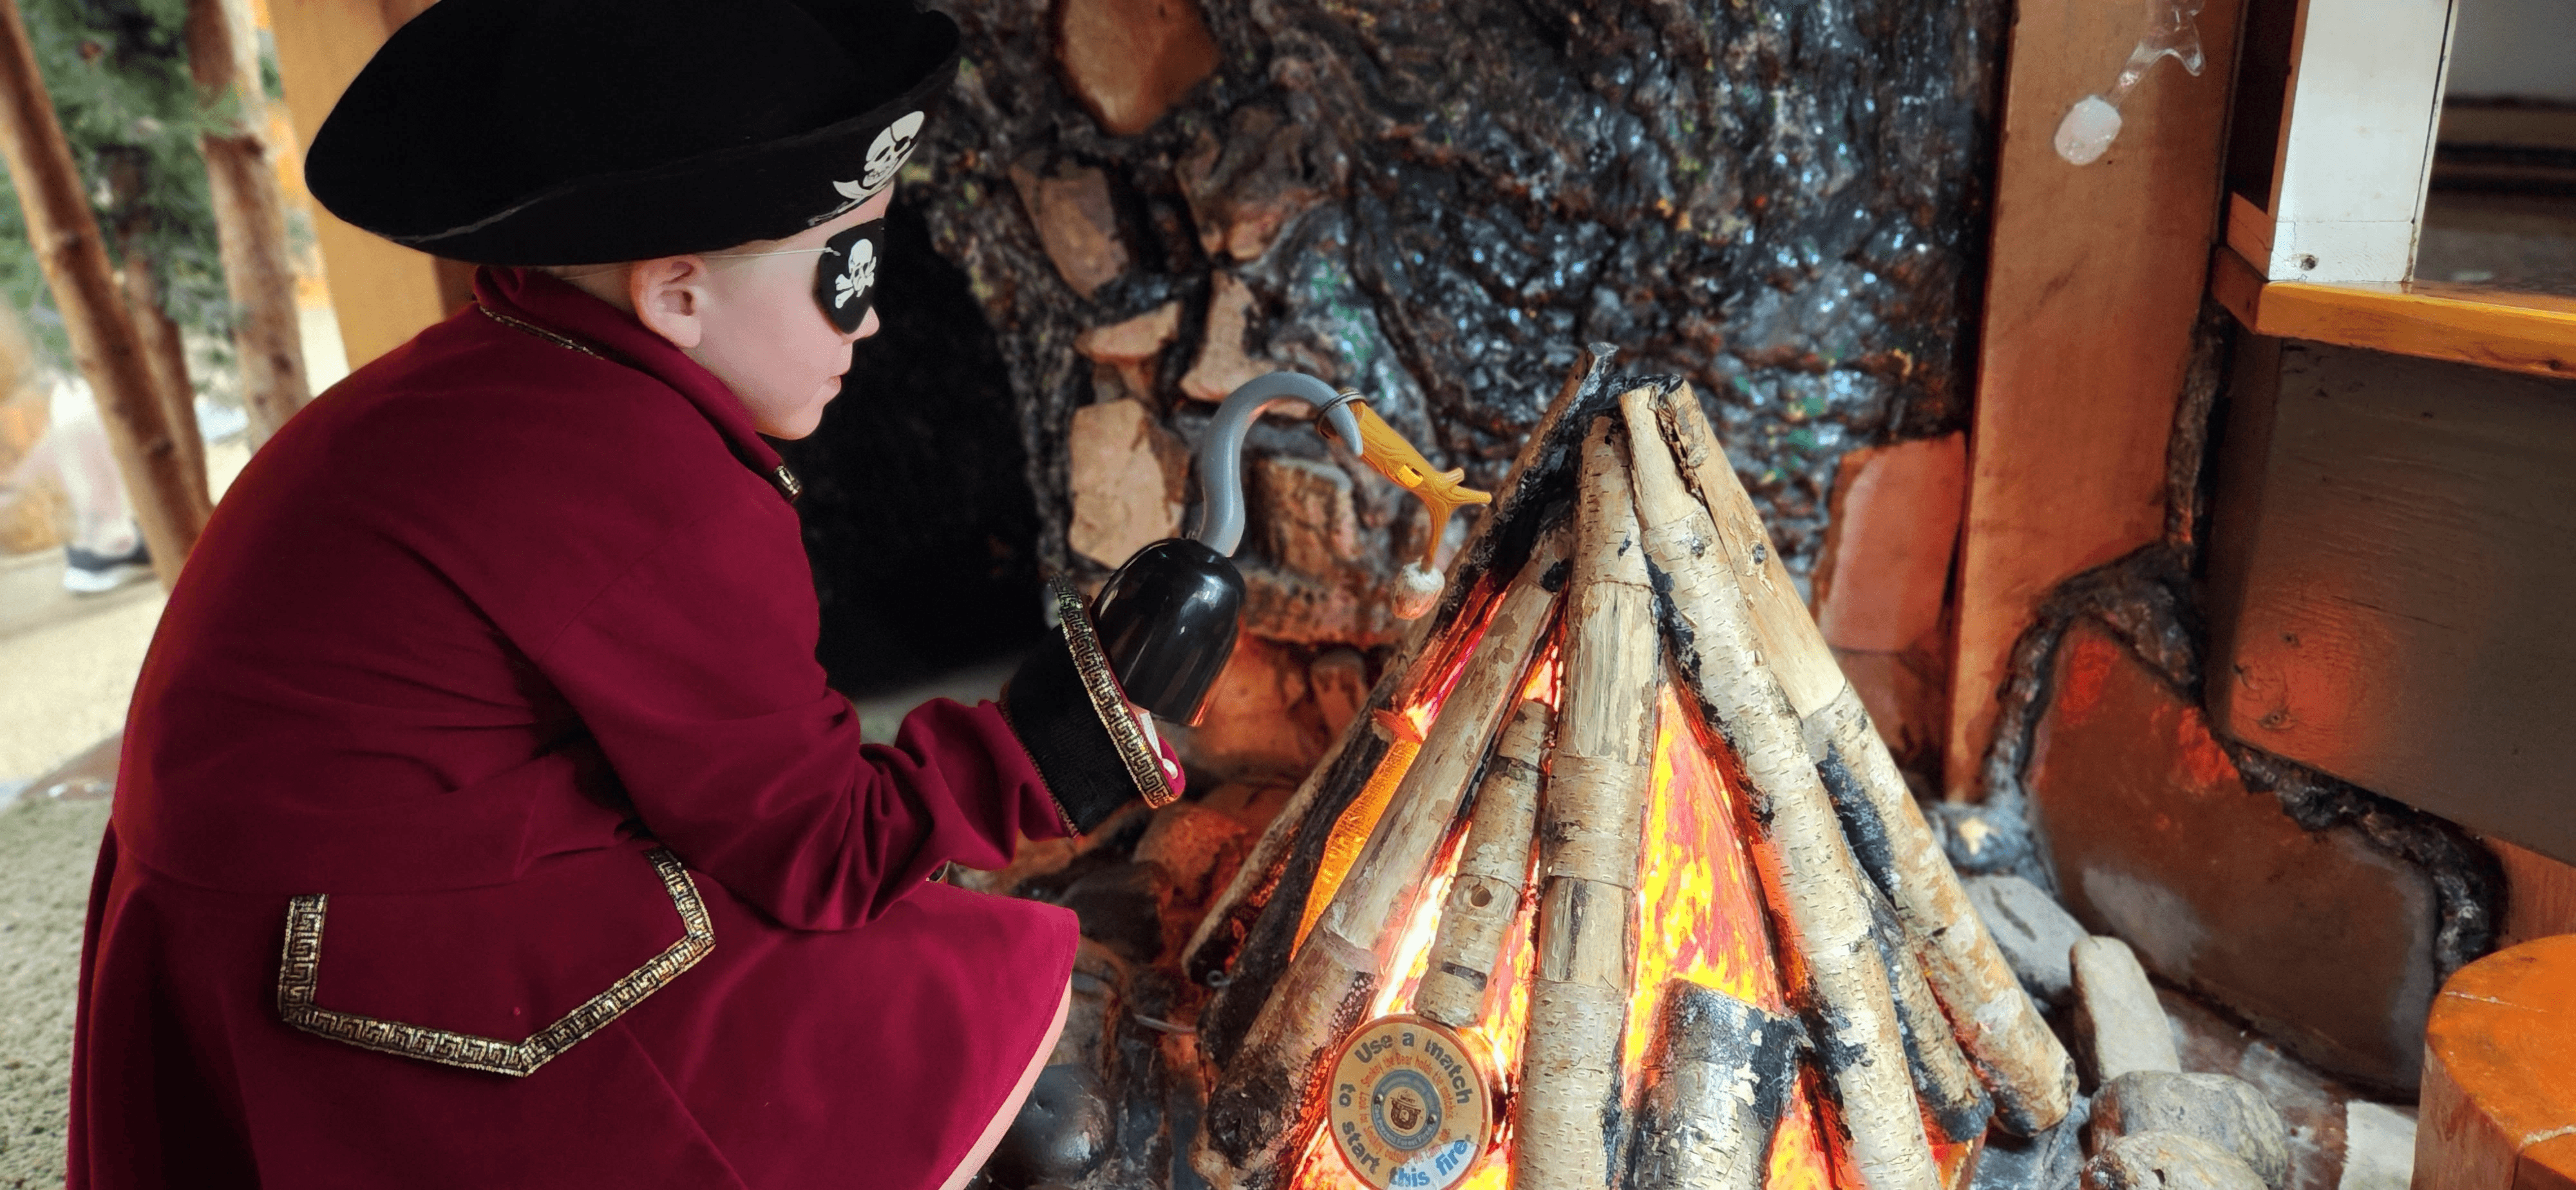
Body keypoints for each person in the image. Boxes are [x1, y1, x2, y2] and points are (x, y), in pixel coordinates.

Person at [66, 2, 1178, 1187]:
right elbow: (819, 848)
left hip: (251, 888)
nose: (876, 316)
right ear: (677, 297)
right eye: (846, 272)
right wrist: (1045, 753)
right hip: (343, 949)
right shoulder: (646, 480)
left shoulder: (512, 366)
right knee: (927, 1008)